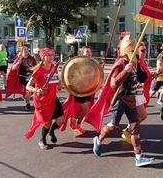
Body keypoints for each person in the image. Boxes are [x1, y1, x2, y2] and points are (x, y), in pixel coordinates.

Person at [90, 38, 154, 167]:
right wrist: (126, 70)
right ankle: (98, 139)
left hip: (131, 99)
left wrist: (144, 69)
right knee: (113, 125)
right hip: (120, 99)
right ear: (129, 49)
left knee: (135, 127)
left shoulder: (135, 62)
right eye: (135, 49)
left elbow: (142, 78)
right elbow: (114, 83)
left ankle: (139, 157)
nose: (137, 51)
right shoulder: (120, 64)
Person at [25, 48, 64, 150]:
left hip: (53, 98)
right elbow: (28, 86)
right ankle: (42, 139)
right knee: (47, 122)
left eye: (52, 55)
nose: (52, 57)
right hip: (42, 101)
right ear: (43, 57)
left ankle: (51, 131)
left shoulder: (53, 67)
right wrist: (37, 90)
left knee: (61, 120)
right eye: (49, 55)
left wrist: (59, 85)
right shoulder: (38, 70)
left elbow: (56, 82)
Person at [121, 42, 153, 144]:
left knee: (139, 116)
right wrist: (138, 83)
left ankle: (130, 131)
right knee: (142, 115)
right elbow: (131, 78)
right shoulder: (134, 63)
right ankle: (129, 132)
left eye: (145, 50)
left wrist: (153, 75)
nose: (145, 52)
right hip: (133, 94)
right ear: (136, 52)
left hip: (140, 93)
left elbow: (144, 76)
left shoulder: (142, 62)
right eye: (142, 50)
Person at [61, 45, 95, 136]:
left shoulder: (93, 63)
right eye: (87, 52)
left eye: (90, 51)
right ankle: (76, 121)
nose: (89, 53)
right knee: (85, 109)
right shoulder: (77, 63)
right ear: (82, 53)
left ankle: (76, 121)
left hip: (88, 90)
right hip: (78, 90)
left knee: (88, 110)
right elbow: (70, 75)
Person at [7, 46, 37, 110]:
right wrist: (18, 63)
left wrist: (33, 72)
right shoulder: (19, 59)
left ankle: (26, 98)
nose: (26, 51)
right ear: (21, 51)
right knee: (27, 92)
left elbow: (36, 67)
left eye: (27, 49)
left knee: (31, 92)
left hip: (31, 77)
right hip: (22, 77)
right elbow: (13, 68)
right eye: (24, 49)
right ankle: (28, 104)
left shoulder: (32, 58)